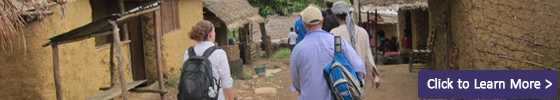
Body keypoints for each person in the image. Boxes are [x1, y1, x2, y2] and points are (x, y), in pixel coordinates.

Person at [290, 5, 365, 100]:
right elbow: (359, 67)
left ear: (304, 24)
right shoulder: (337, 42)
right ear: (322, 21)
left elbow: (296, 82)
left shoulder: (298, 50)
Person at [329, 1, 381, 88]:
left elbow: (332, 57)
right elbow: (368, 56)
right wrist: (375, 74)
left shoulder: (334, 33)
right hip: (360, 78)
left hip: (343, 79)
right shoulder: (363, 32)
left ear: (335, 16)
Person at [183, 20, 235, 100]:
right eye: (214, 31)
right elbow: (226, 82)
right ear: (210, 34)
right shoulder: (219, 53)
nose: (215, 34)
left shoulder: (188, 53)